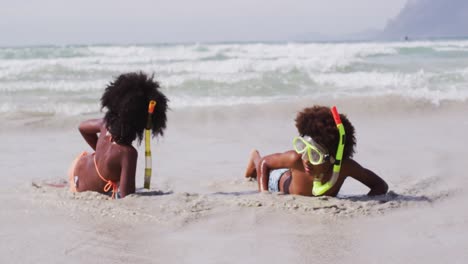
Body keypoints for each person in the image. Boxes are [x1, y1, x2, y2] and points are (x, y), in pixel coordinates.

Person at [244, 105, 388, 197]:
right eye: (303, 148)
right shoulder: (296, 158)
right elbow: (265, 163)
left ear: (333, 158)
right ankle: (254, 157)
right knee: (259, 166)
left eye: (314, 154)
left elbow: (380, 185)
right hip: (278, 180)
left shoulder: (345, 167)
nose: (305, 159)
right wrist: (264, 193)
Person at [68, 72, 168, 198]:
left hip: (76, 168)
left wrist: (100, 153)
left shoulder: (104, 125)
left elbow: (82, 127)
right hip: (83, 189)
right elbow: (127, 195)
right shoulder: (127, 153)